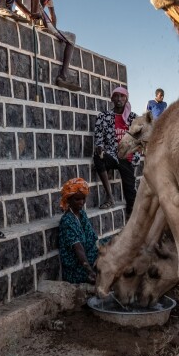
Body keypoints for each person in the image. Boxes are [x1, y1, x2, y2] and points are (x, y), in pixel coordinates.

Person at [19, 0, 81, 92]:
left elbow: (52, 13)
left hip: (40, 16)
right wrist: (35, 16)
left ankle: (62, 76)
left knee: (71, 37)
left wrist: (54, 30)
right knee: (71, 38)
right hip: (29, 12)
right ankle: (62, 77)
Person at [93, 87, 140, 215]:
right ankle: (110, 197)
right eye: (116, 96)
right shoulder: (103, 117)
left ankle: (132, 222)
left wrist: (135, 153)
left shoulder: (133, 118)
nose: (119, 99)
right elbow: (98, 137)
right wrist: (99, 146)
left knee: (131, 195)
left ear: (126, 98)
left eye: (122, 96)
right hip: (112, 155)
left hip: (127, 157)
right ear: (112, 98)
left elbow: (139, 139)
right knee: (98, 157)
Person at [58, 178, 100, 284]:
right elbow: (78, 249)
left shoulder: (82, 214)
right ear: (69, 200)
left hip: (88, 256)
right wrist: (90, 271)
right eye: (77, 199)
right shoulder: (67, 220)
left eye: (83, 199)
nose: (81, 202)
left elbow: (92, 238)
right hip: (76, 267)